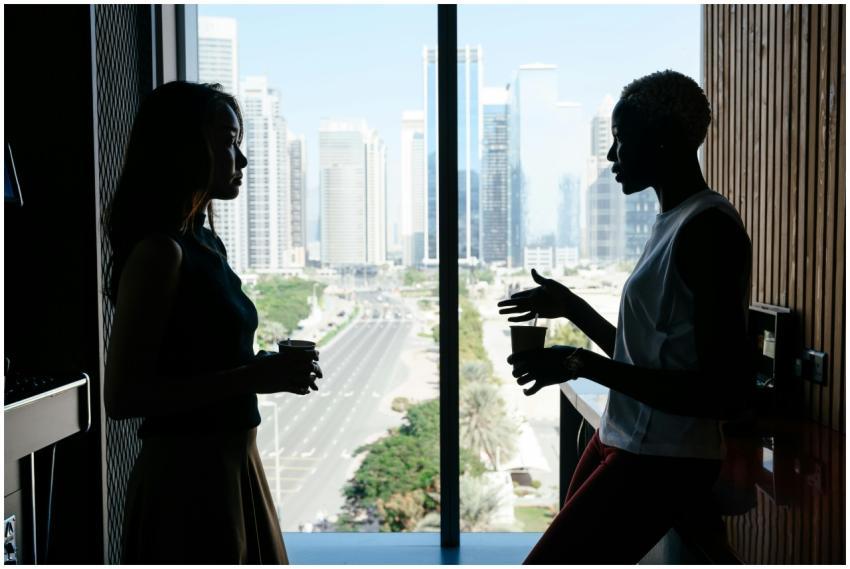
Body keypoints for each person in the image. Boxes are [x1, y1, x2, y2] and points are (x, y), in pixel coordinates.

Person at [498, 70, 753, 564]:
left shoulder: (709, 231)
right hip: (624, 439)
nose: (612, 157)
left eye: (620, 140)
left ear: (661, 141)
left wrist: (579, 364)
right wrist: (571, 307)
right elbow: (644, 357)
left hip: (661, 460)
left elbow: (721, 392)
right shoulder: (673, 222)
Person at [103, 81, 321, 564]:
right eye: (227, 141)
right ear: (183, 148)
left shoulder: (205, 244)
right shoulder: (161, 253)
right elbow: (123, 397)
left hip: (233, 465)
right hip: (188, 482)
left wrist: (259, 374)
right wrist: (255, 377)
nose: (241, 159)